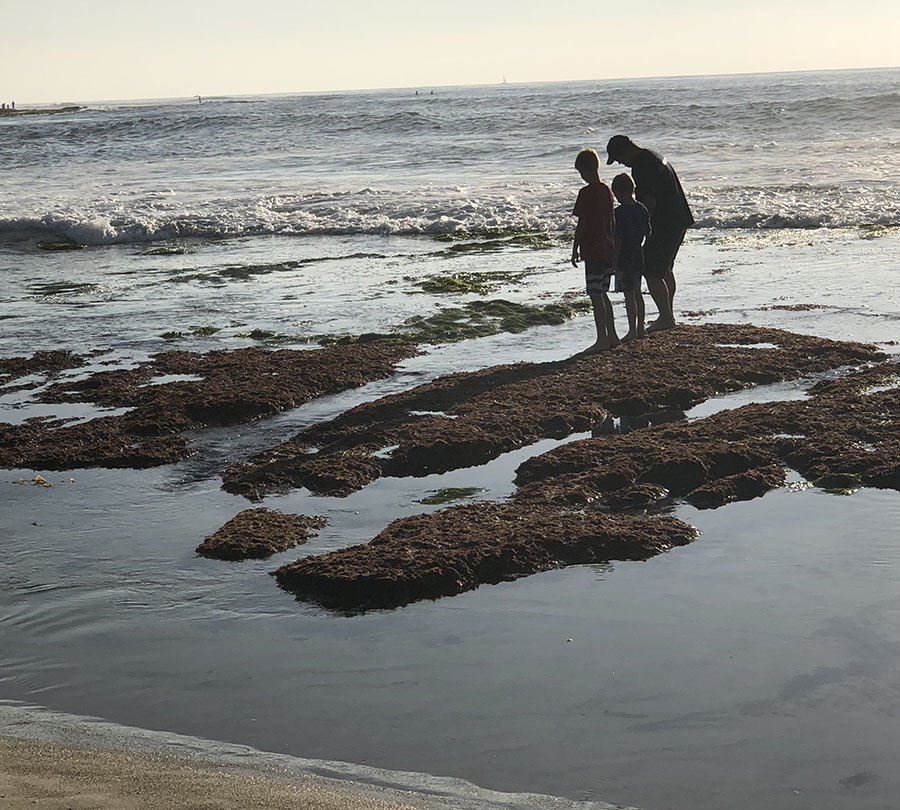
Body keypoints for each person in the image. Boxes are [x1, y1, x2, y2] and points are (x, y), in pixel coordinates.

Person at [606, 135, 693, 332]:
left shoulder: (641, 166)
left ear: (627, 149)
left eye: (618, 157)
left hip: (665, 222)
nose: (620, 162)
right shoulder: (653, 156)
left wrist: (640, 229)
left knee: (652, 271)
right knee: (664, 269)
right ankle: (667, 315)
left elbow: (649, 203)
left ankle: (666, 317)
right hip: (680, 217)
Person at [571, 148, 619, 353]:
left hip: (593, 249)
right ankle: (612, 335)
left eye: (581, 172)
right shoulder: (606, 190)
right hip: (608, 247)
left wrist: (575, 247)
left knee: (595, 294)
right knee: (603, 293)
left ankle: (602, 338)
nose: (581, 177)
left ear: (587, 170)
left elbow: (582, 223)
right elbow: (612, 220)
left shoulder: (586, 193)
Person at [611, 173, 651, 341]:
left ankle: (632, 331)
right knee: (637, 292)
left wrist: (614, 257)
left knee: (628, 294)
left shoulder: (619, 213)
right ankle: (640, 327)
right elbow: (648, 231)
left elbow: (618, 237)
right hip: (638, 252)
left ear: (619, 193)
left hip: (625, 255)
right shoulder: (641, 208)